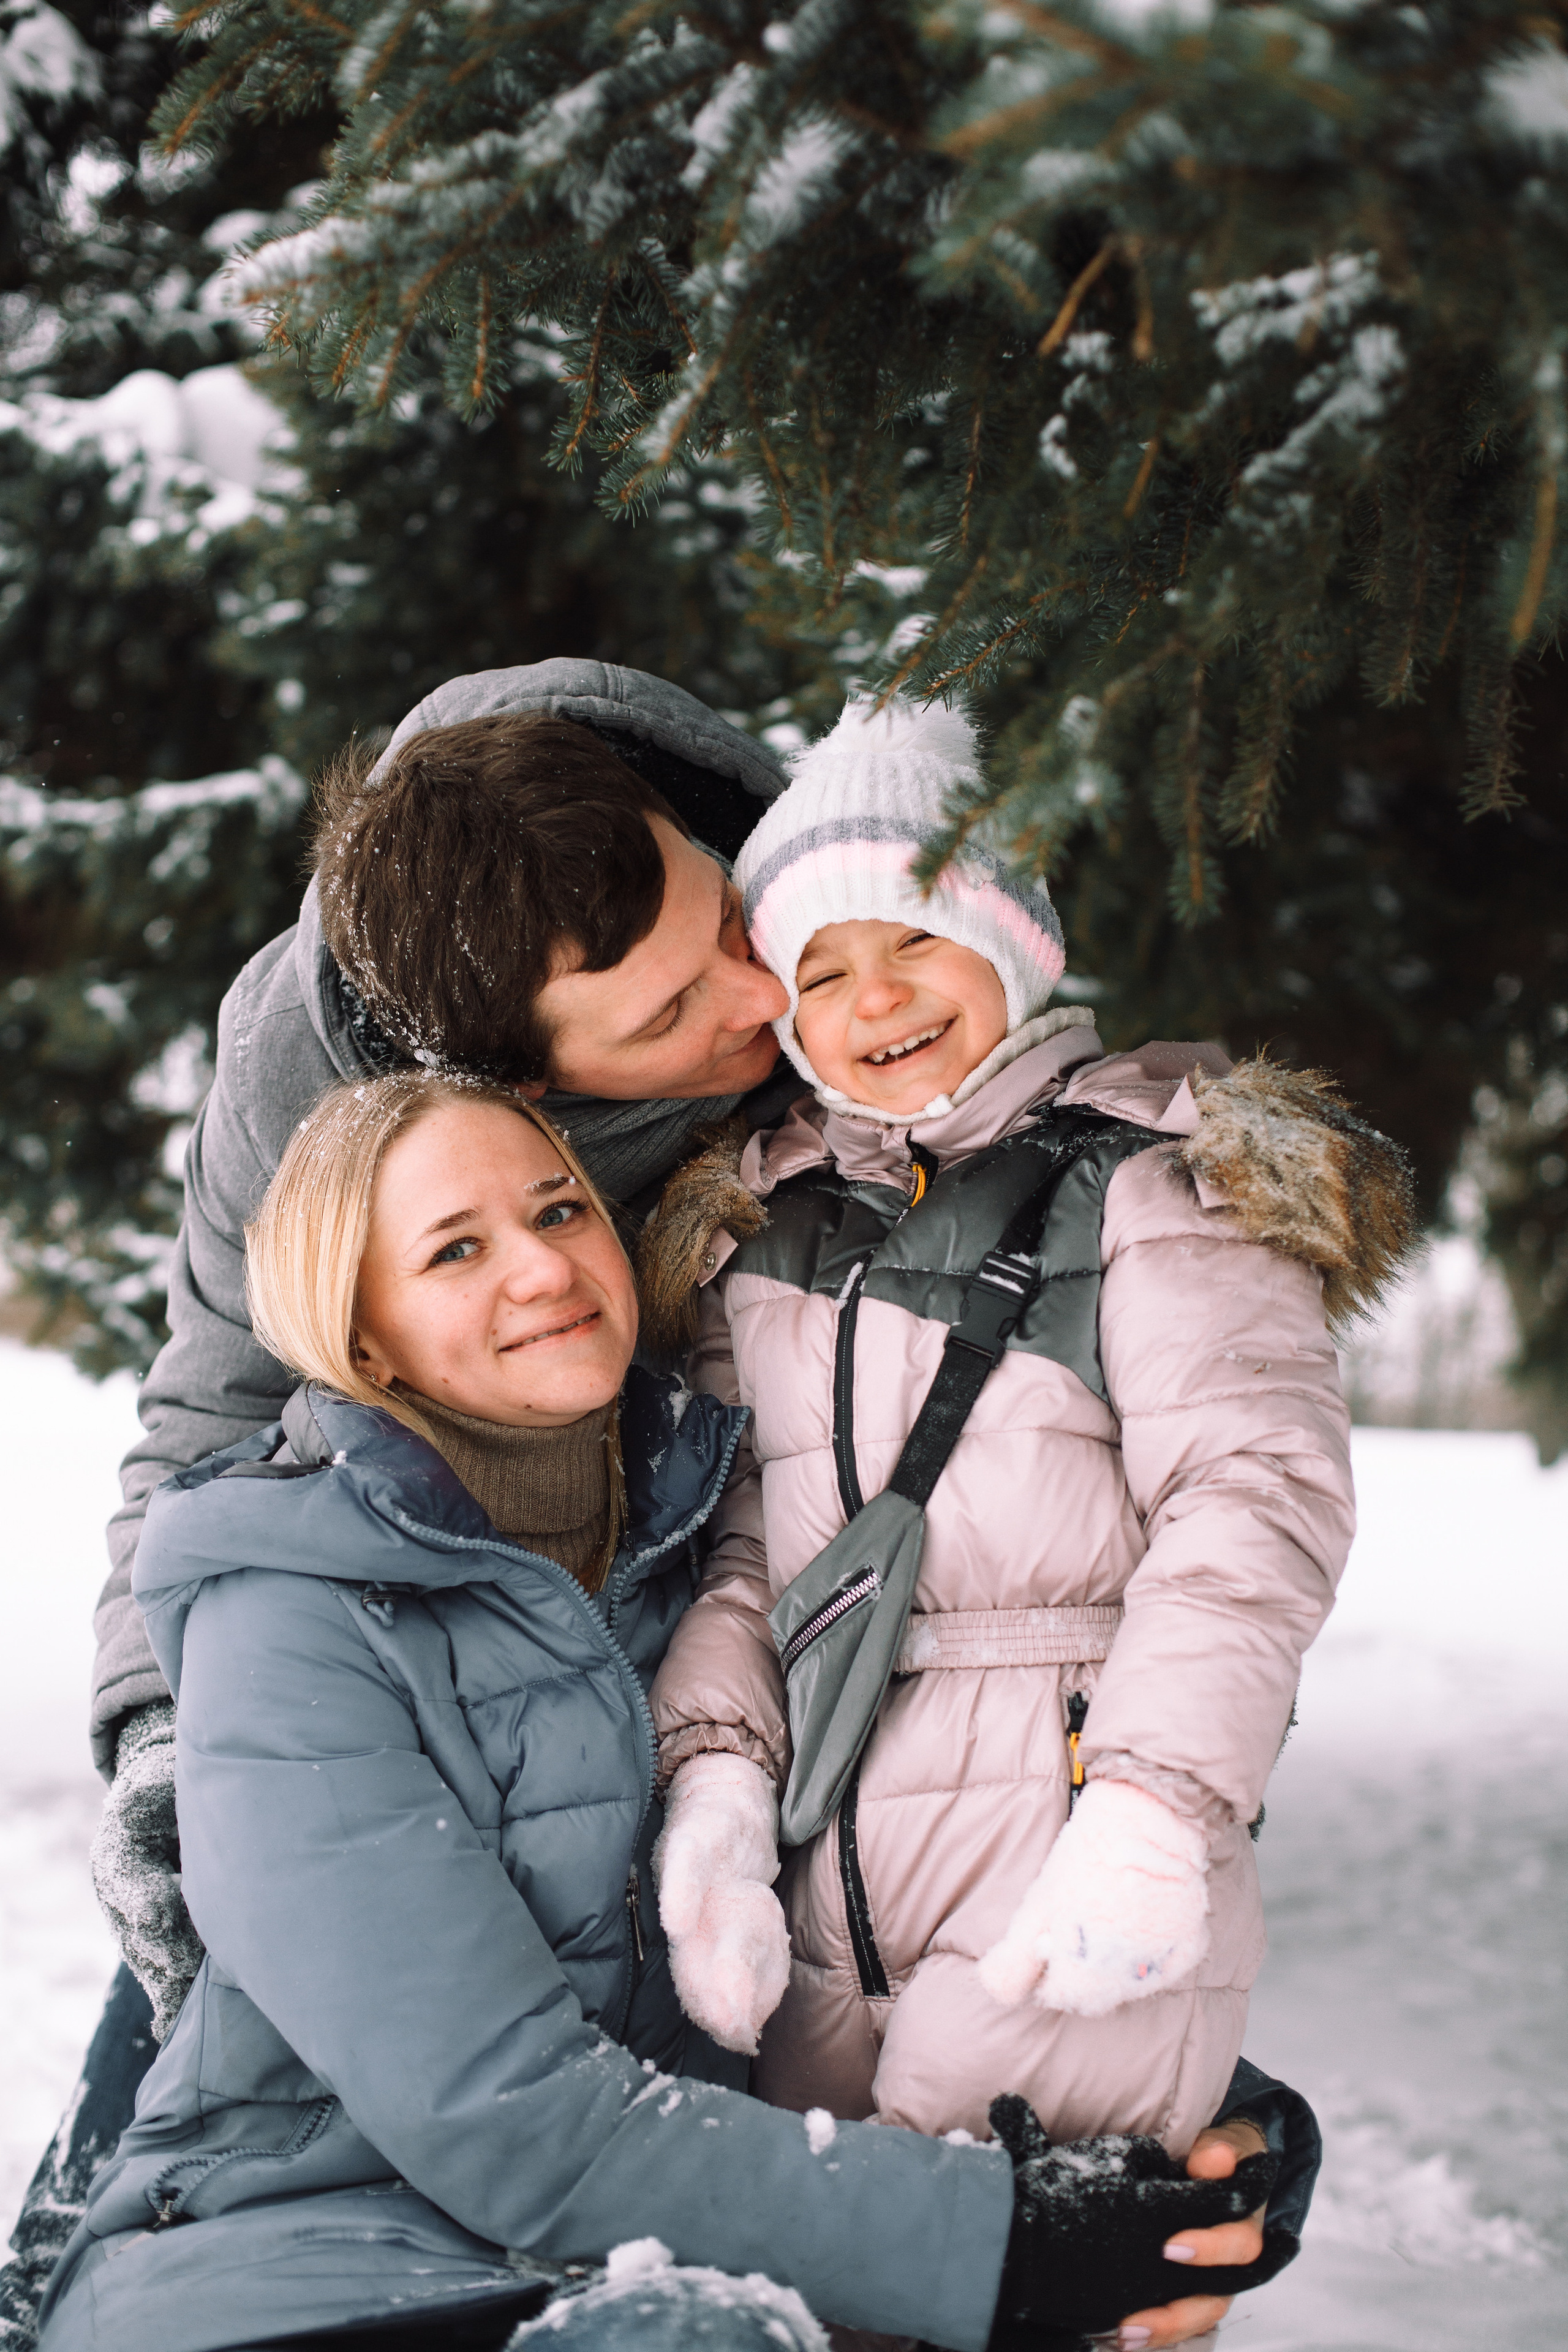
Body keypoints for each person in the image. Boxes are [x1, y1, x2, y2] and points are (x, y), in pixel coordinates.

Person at [2, 661, 1321, 2348]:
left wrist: (1158, 2068)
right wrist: (179, 1756)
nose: (769, 990)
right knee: (284, 1923)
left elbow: (1022, 1388)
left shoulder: (810, 919)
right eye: (668, 1011)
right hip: (424, 1612)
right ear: (535, 1086)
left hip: (662, 1545)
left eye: (727, 917)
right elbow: (218, 1418)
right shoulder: (313, 1108)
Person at [639, 699, 1415, 2195]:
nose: (874, 1002)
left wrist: (1149, 1806)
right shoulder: (767, 1227)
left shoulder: (1155, 1185)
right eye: (824, 971)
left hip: (1063, 1831)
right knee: (850, 2273)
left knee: (1003, 2264)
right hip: (825, 1866)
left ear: (1006, 935)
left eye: (913, 941)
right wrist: (720, 1792)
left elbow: (1248, 1507)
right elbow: (744, 1555)